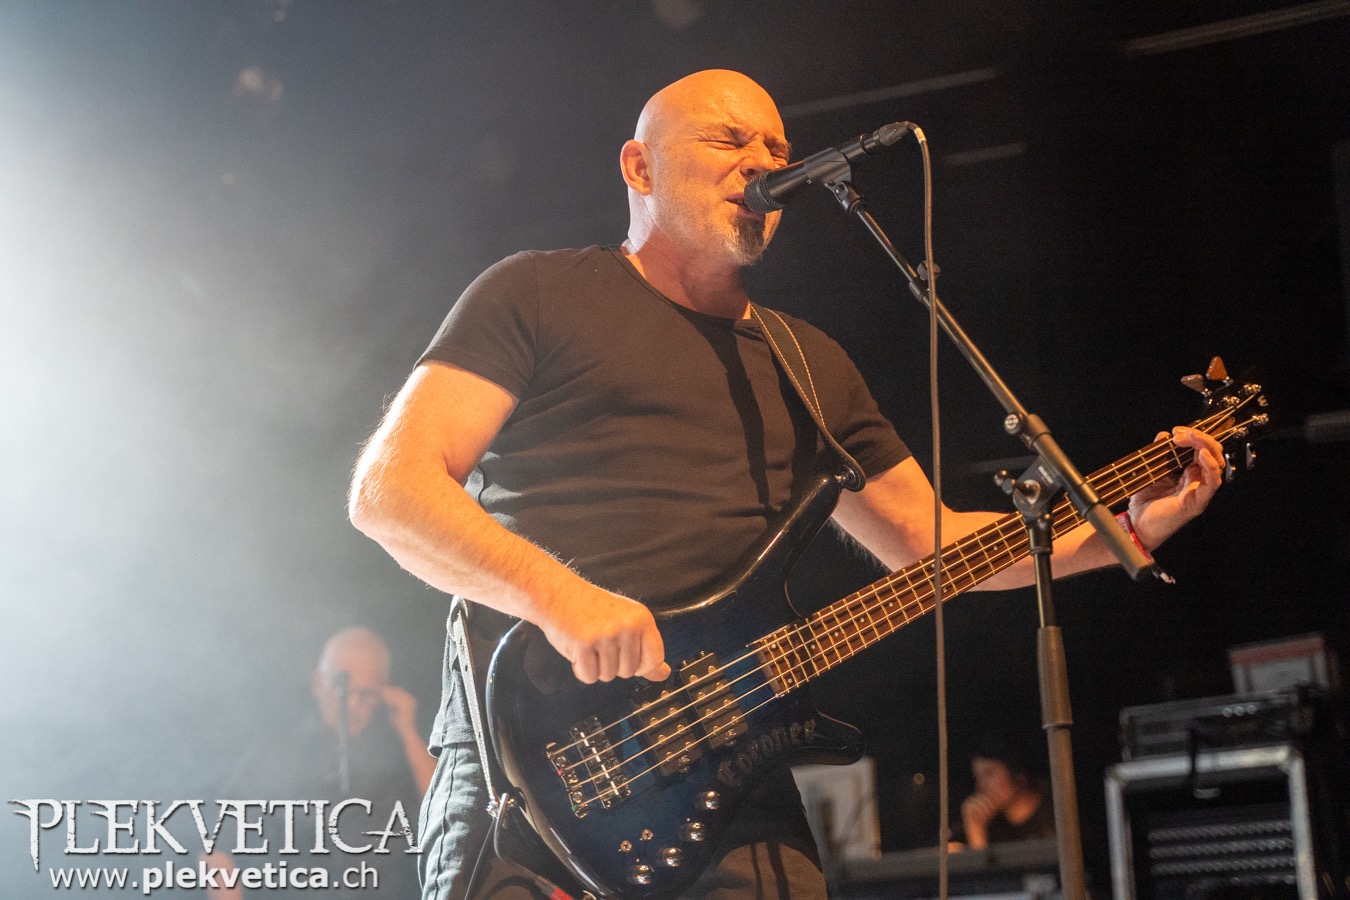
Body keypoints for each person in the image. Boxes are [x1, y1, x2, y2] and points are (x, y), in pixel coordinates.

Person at [347, 69, 1225, 899]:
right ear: (639, 166)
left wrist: (1124, 530)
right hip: (527, 765)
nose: (764, 162)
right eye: (729, 140)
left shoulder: (809, 364)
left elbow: (933, 543)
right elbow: (391, 491)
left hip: (729, 776)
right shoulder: (536, 294)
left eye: (775, 147)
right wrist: (562, 599)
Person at [205, 626, 433, 899]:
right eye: (342, 689)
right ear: (317, 684)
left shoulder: (400, 758)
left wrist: (408, 732)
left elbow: (446, 816)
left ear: (384, 693)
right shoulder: (281, 753)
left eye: (365, 694)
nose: (351, 704)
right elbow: (217, 847)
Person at [956, 738, 1055, 850]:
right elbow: (983, 860)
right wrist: (975, 830)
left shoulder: (1056, 811)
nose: (981, 786)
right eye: (977, 778)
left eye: (989, 774)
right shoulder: (992, 826)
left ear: (1017, 773)